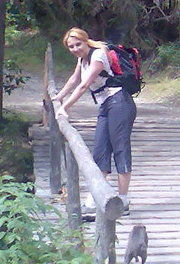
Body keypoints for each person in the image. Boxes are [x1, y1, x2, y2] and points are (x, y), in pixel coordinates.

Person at [54, 27, 137, 216]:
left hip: (120, 103)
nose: (75, 49)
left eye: (78, 44)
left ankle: (123, 200)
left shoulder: (98, 55)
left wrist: (65, 108)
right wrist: (58, 97)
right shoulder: (81, 59)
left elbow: (84, 85)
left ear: (86, 41)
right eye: (71, 46)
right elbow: (74, 79)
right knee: (100, 150)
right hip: (106, 105)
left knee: (120, 149)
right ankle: (95, 199)